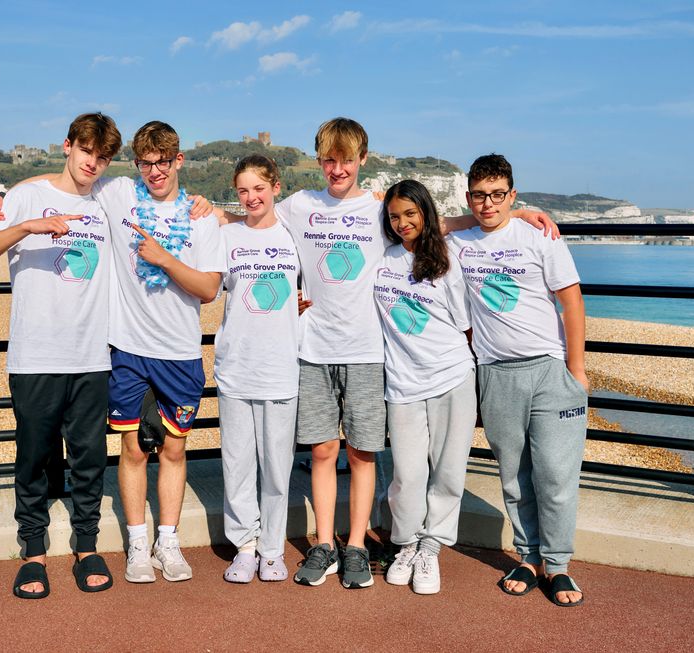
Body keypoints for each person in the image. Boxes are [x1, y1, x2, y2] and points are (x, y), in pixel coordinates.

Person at [213, 117, 555, 589]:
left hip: (369, 352)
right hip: (312, 350)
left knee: (361, 453)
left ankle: (355, 545)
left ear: (362, 161)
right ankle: (324, 544)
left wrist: (512, 216)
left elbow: (430, 222)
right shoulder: (300, 205)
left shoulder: (378, 210)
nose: (337, 169)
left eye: (346, 160)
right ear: (319, 161)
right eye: (329, 160)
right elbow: (253, 217)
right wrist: (209, 215)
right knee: (321, 451)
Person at [0, 120, 224, 584]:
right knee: (130, 449)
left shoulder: (201, 216)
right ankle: (135, 544)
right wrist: (6, 198)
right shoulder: (117, 193)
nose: (155, 172)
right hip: (127, 349)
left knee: (172, 449)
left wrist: (170, 256)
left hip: (178, 349)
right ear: (137, 165)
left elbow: (210, 289)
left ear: (179, 161)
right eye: (146, 163)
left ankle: (166, 543)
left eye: (163, 162)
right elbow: (69, 180)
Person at [0, 112, 122, 599]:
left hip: (92, 354)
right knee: (33, 456)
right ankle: (33, 551)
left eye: (102, 156)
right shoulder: (25, 197)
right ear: (67, 146)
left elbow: (166, 204)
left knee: (90, 457)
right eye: (85, 151)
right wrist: (27, 224)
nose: (92, 162)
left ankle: (86, 546)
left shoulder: (106, 202)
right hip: (35, 355)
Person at [449, 153, 588, 607]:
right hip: (494, 373)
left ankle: (559, 564)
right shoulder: (461, 242)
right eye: (479, 196)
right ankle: (528, 558)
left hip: (549, 370)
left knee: (556, 474)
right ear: (469, 197)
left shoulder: (538, 236)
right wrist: (480, 215)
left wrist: (576, 369)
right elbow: (419, 225)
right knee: (514, 475)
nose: (488, 204)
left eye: (497, 195)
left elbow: (571, 301)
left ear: (511, 193)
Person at [373, 179, 477, 595]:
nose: (402, 223)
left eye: (410, 214)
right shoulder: (381, 260)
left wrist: (520, 214)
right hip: (402, 383)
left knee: (448, 470)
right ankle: (406, 543)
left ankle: (431, 547)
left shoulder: (449, 262)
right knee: (409, 474)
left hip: (452, 377)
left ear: (426, 214)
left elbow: (467, 329)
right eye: (394, 216)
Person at [216, 155, 300, 583]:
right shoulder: (227, 235)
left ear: (276, 187)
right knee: (237, 464)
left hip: (281, 367)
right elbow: (209, 287)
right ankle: (245, 547)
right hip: (236, 367)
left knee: (276, 466)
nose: (251, 198)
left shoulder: (294, 232)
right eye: (243, 191)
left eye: (258, 189)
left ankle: (272, 549)